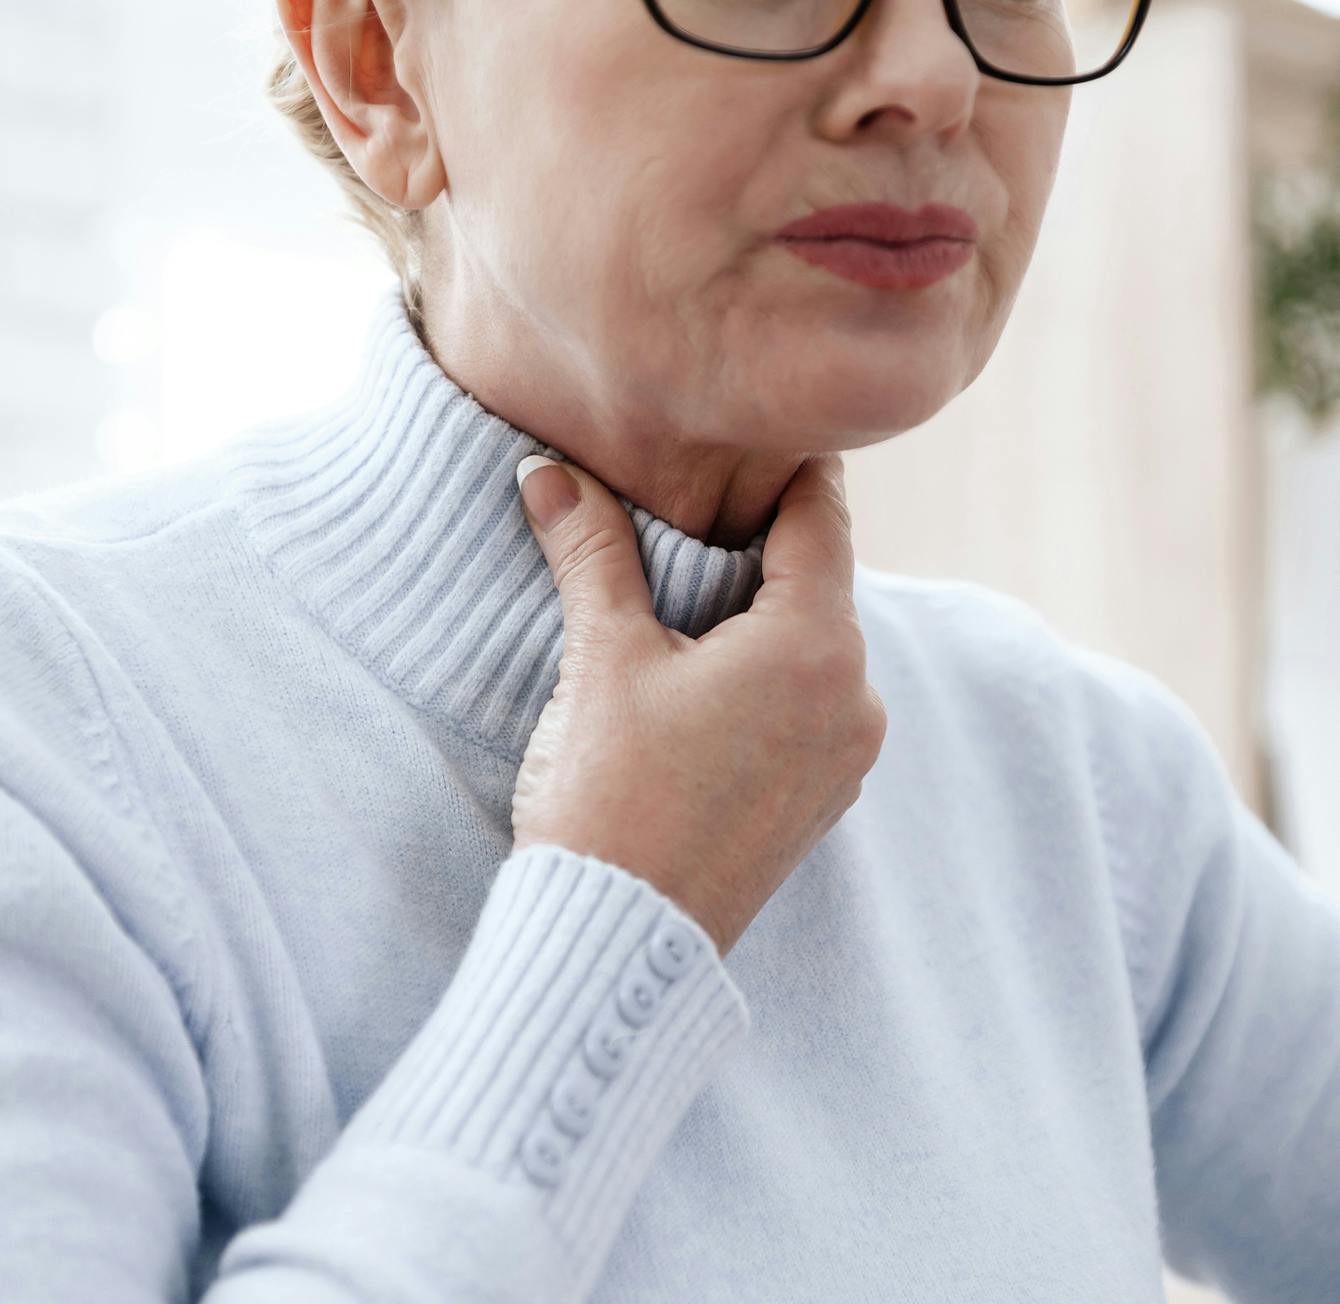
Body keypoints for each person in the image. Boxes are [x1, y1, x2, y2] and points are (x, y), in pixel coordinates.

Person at [1, 0, 1336, 1299]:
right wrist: (621, 914)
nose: (933, 74)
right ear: (378, 70)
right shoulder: (49, 730)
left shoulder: (1078, 777)